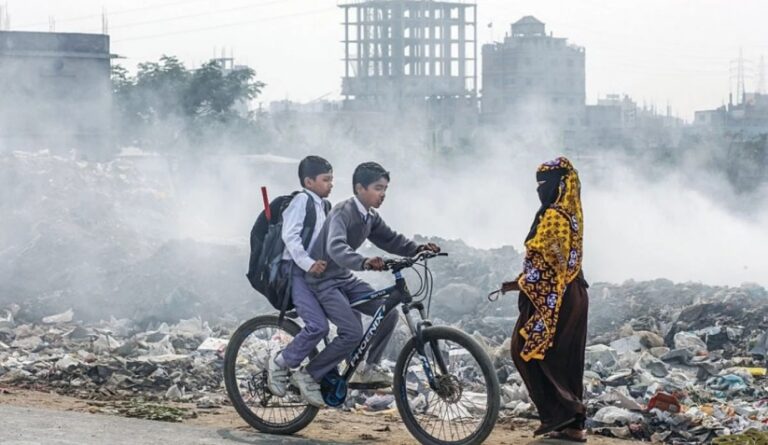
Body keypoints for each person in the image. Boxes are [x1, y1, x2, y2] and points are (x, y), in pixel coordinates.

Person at [297, 161, 440, 401]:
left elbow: (392, 240)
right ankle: (308, 374)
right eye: (377, 188)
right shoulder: (343, 211)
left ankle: (367, 368)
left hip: (343, 278)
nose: (382, 194)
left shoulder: (370, 216)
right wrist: (364, 262)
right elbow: (336, 247)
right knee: (352, 332)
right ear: (359, 188)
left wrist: (418, 249)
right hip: (323, 281)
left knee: (389, 312)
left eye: (385, 189)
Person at [500, 156, 589, 442]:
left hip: (554, 299)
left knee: (526, 349)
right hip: (573, 293)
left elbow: (548, 268)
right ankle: (572, 425)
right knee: (565, 359)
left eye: (544, 184)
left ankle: (560, 415)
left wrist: (520, 283)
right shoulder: (570, 214)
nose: (540, 189)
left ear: (559, 185)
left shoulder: (553, 217)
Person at [267, 155, 334, 408]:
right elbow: (290, 237)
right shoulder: (302, 201)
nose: (331, 184)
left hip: (316, 273)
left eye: (331, 179)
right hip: (296, 272)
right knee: (318, 326)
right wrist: (308, 263)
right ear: (309, 181)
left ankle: (320, 374)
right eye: (326, 179)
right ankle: (281, 362)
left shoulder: (324, 206)